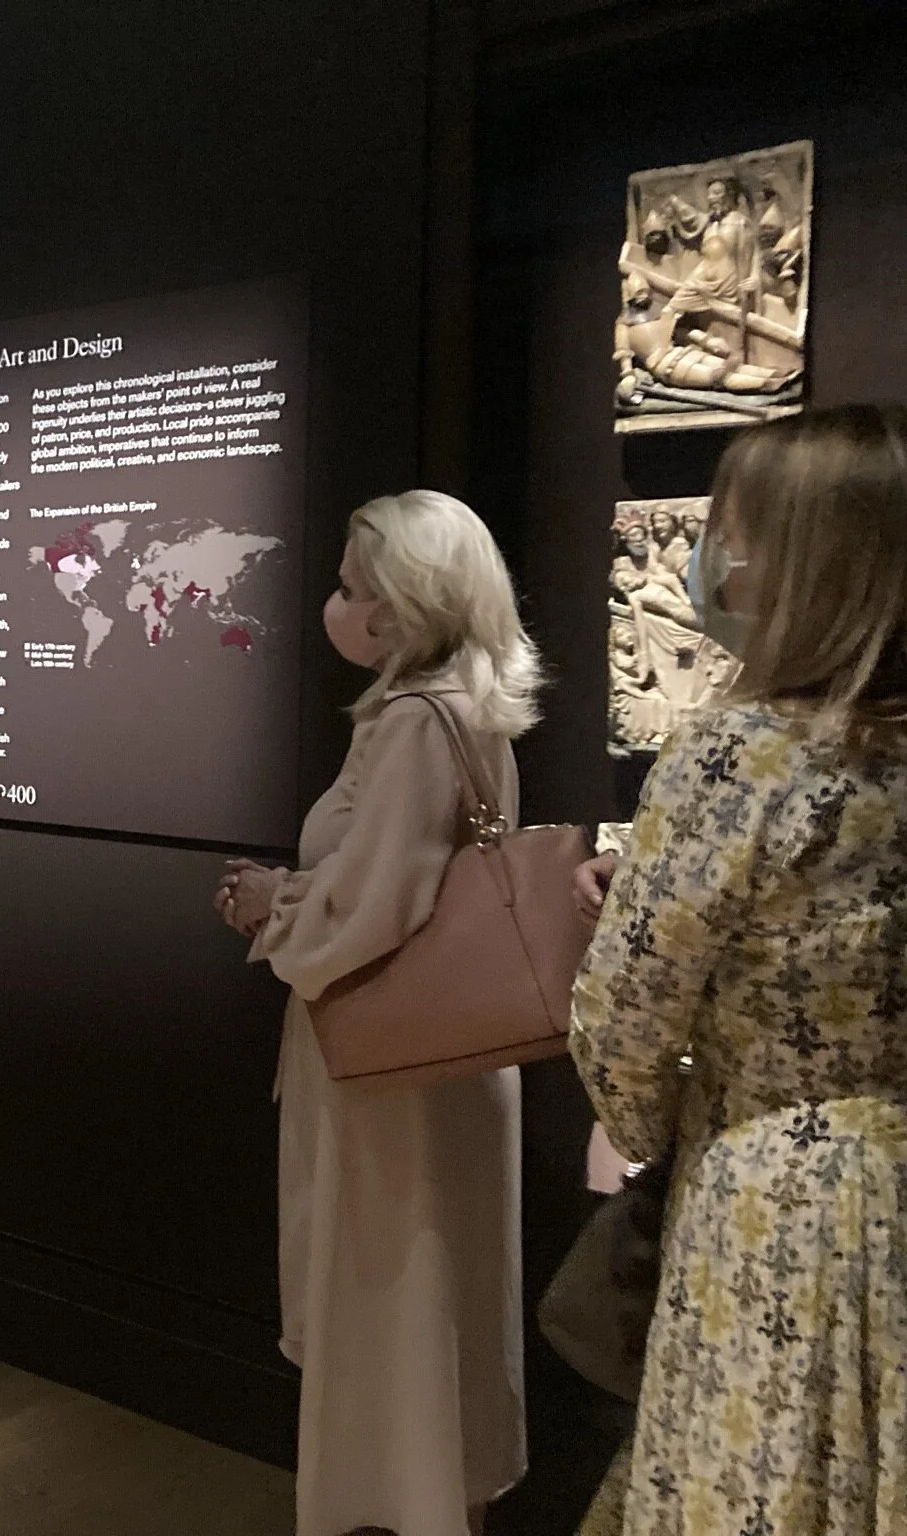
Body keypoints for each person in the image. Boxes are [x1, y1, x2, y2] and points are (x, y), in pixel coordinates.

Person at [570, 403, 907, 1535]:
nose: (714, 556)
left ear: (808, 563)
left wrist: (665, 1133)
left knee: (759, 1484)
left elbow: (621, 1030)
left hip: (773, 1202)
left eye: (735, 531)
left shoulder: (733, 756)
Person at [218, 490, 539, 1536]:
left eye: (353, 587)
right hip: (444, 1056)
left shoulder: (413, 722)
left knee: (394, 1298)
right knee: (439, 1308)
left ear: (402, 603)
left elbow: (375, 906)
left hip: (391, 1070)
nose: (339, 604)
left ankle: (396, 1511)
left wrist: (274, 908)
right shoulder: (467, 708)